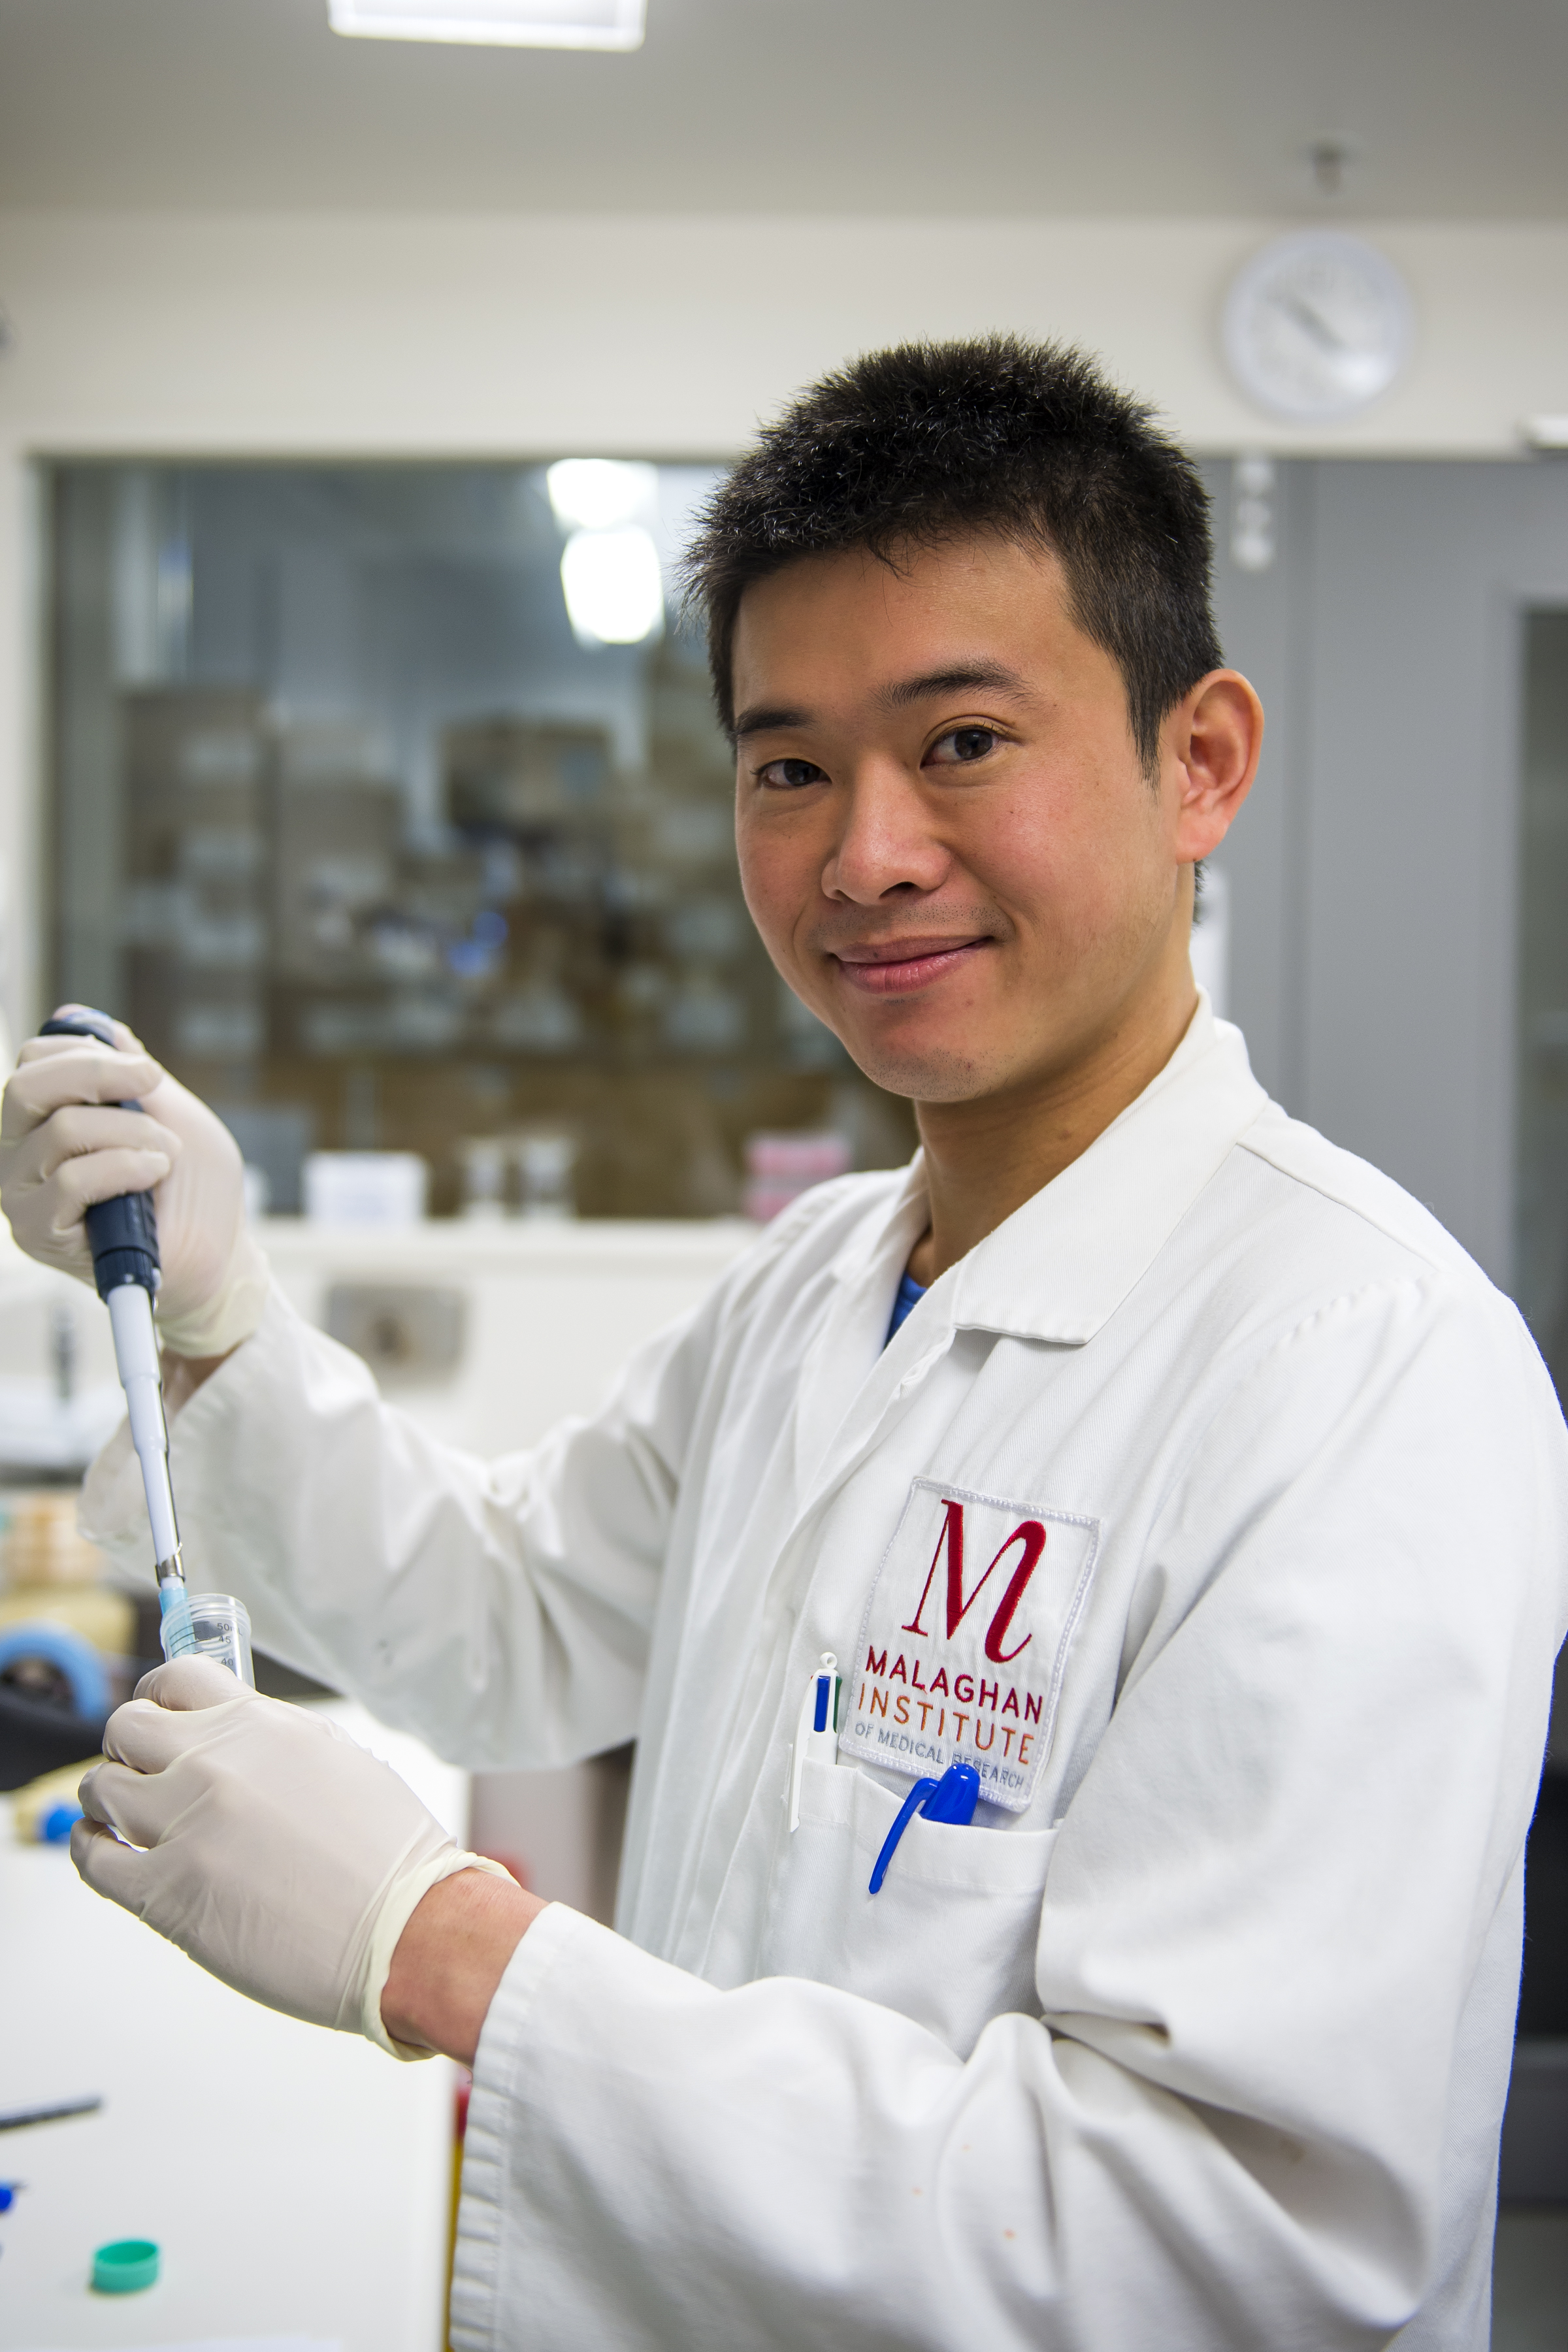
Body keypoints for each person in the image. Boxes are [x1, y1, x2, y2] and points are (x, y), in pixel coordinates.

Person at [3, 336, 1564, 2352]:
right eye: (790, 767)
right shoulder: (821, 1276)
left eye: (964, 741)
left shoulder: (1365, 1371)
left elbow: (1227, 2252)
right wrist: (218, 1316)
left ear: (1200, 761)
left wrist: (449, 1949)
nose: (864, 856)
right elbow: (507, 1617)